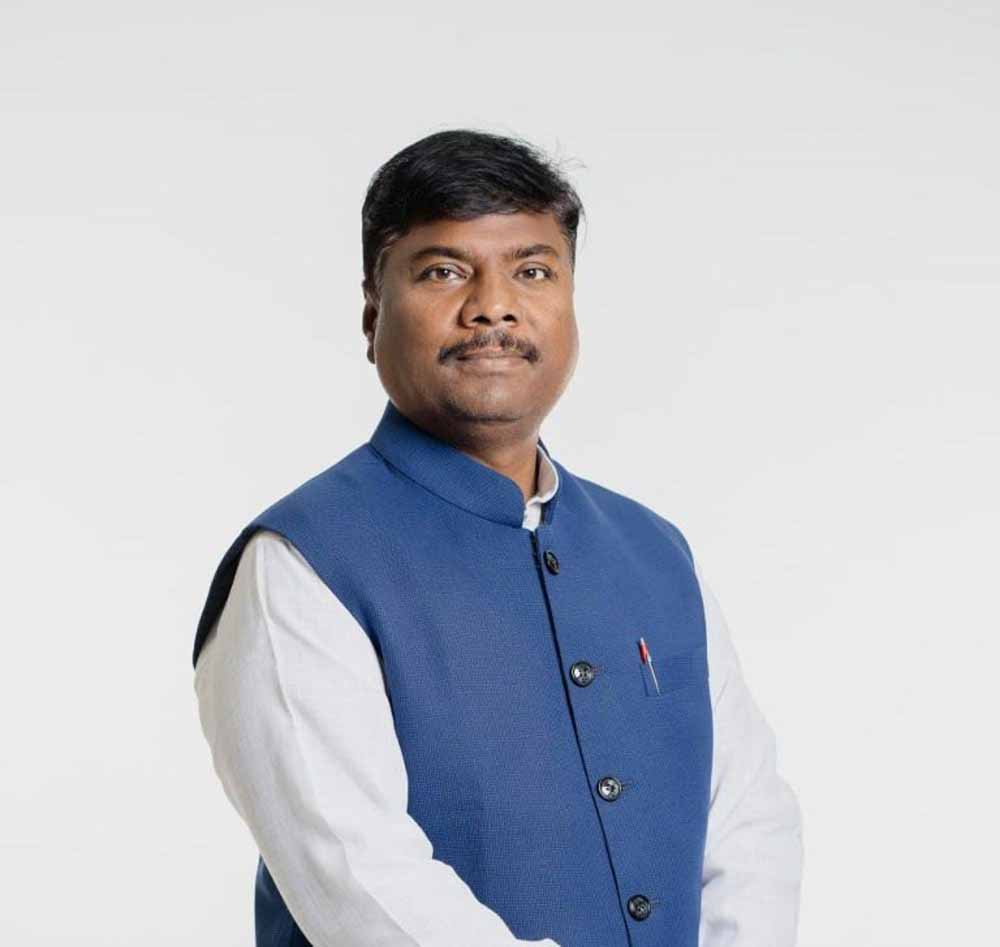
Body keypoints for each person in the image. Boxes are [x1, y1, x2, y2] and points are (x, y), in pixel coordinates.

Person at [192, 128, 804, 947]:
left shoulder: (655, 552)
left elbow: (748, 822)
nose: (494, 306)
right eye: (444, 271)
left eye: (533, 271)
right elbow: (359, 880)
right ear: (372, 311)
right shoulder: (301, 563)